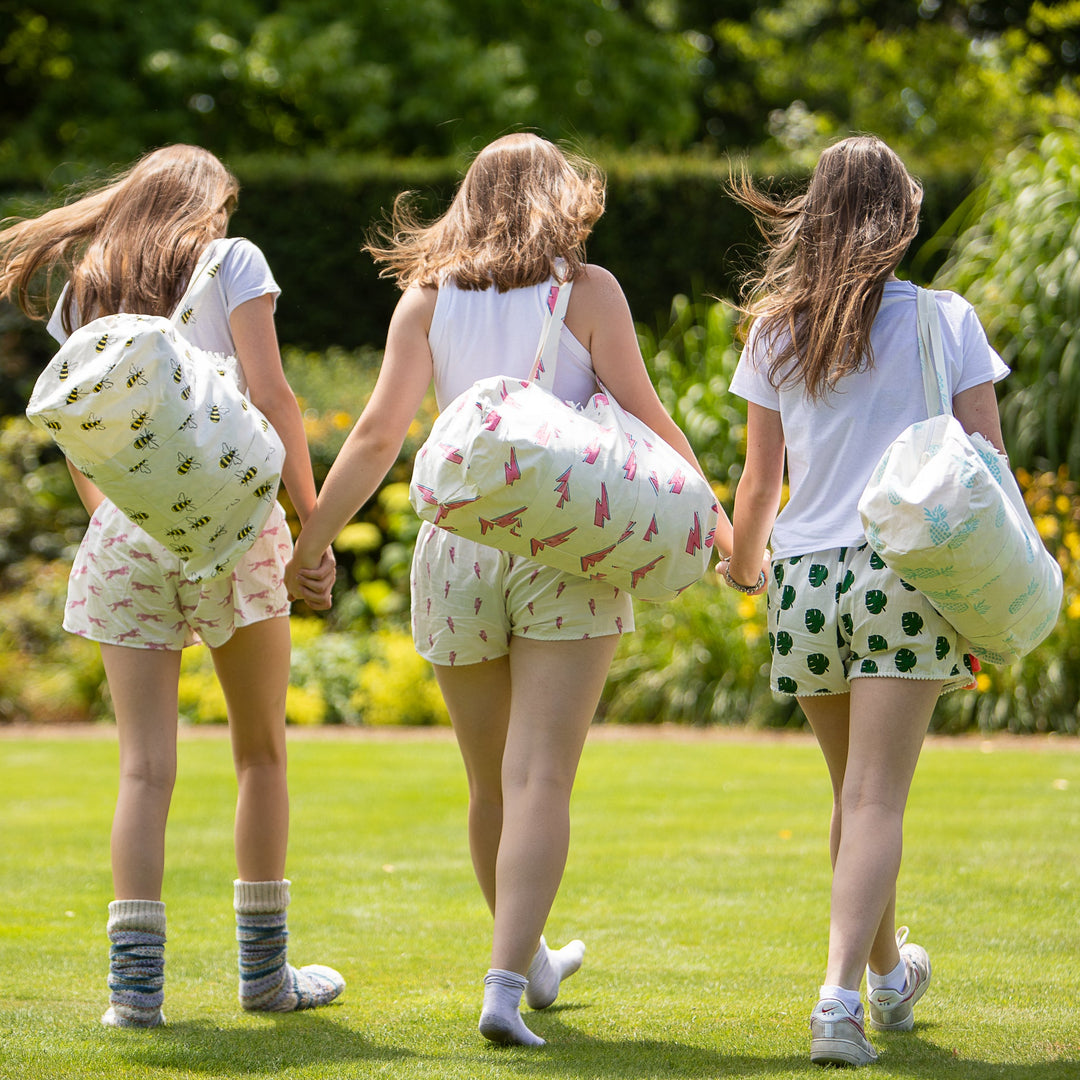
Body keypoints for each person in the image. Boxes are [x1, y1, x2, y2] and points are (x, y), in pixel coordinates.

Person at [285, 132, 731, 1046]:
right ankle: (502, 987)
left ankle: (528, 965)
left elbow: (375, 437)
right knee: (541, 779)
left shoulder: (426, 298)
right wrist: (720, 524)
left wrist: (312, 544)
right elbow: (648, 420)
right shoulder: (588, 289)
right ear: (559, 196)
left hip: (457, 548)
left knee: (490, 783)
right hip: (567, 540)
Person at [0, 145, 343, 1027]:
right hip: (237, 530)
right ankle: (265, 980)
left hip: (124, 536)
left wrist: (121, 519)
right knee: (260, 752)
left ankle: (134, 997)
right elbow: (274, 399)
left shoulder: (88, 284)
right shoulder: (234, 262)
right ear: (208, 204)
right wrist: (312, 527)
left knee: (144, 769)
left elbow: (85, 439)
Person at [720, 135, 1009, 1066]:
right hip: (902, 573)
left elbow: (760, 484)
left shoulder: (775, 329)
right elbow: (988, 462)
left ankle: (888, 983)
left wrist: (742, 564)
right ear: (903, 216)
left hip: (804, 581)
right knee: (878, 798)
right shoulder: (945, 319)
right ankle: (837, 1002)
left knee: (853, 797)